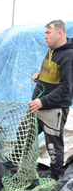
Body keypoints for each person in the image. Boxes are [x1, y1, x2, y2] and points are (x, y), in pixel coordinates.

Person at [29, 19, 73, 180]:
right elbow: (54, 73)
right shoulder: (52, 50)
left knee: (53, 146)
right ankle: (15, 167)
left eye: (48, 33)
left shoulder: (68, 56)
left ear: (59, 33)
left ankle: (55, 179)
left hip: (53, 110)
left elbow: (67, 88)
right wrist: (40, 75)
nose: (45, 36)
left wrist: (43, 101)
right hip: (37, 108)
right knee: (24, 136)